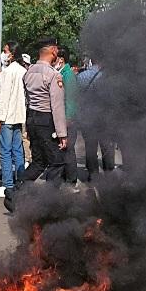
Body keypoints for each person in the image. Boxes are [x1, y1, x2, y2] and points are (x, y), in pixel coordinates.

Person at [7, 38, 67, 212]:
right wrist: (62, 134)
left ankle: (15, 193)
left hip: (32, 118)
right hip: (46, 120)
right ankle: (49, 204)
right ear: (53, 51)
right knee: (56, 162)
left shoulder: (29, 71)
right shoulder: (54, 75)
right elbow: (57, 106)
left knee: (39, 162)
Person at [0, 41, 28, 200]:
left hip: (7, 118)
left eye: (5, 51)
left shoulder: (7, 72)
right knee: (18, 151)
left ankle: (7, 185)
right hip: (19, 117)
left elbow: (1, 97)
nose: (3, 54)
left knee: (5, 153)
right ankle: (22, 182)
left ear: (12, 54)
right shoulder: (24, 71)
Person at [76, 62, 118, 179]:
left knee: (90, 147)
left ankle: (92, 174)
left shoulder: (81, 76)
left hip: (87, 117)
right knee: (107, 146)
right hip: (105, 117)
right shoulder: (107, 77)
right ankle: (109, 172)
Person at [56, 46, 81, 188]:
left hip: (68, 120)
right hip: (63, 118)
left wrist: (68, 118)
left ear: (61, 59)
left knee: (68, 150)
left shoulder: (68, 75)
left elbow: (70, 99)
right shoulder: (61, 73)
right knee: (64, 150)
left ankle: (71, 181)